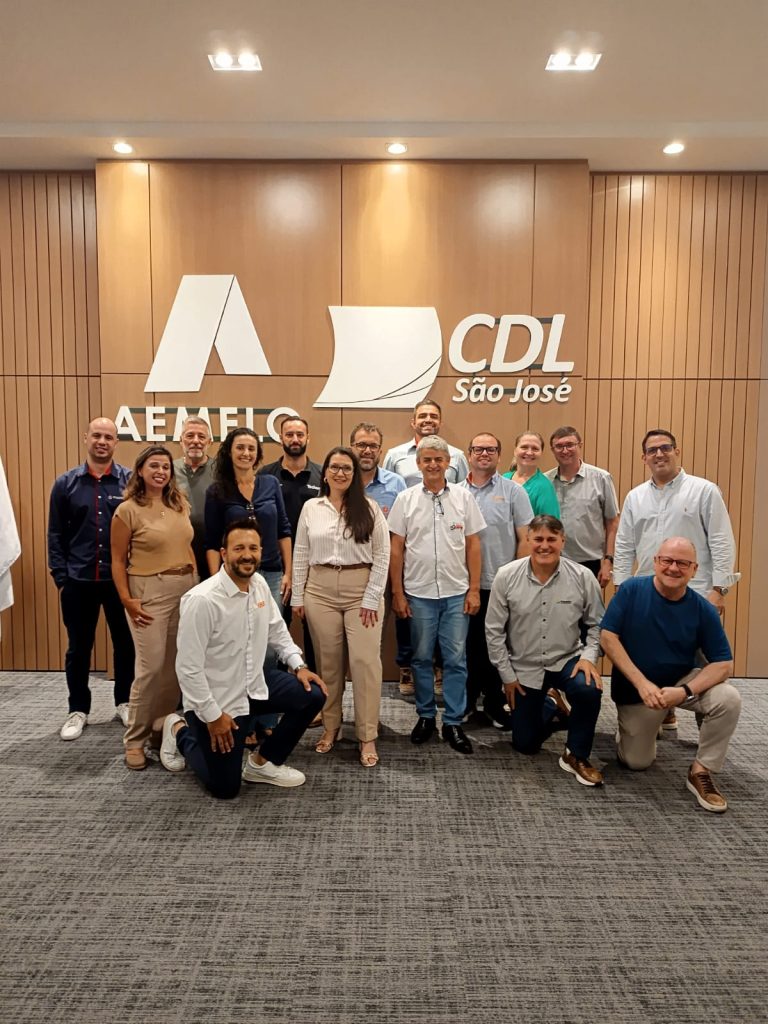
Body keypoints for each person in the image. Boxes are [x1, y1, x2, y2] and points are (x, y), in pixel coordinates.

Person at [160, 519, 327, 798]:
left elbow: (277, 630)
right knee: (225, 788)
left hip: (253, 685)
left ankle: (262, 763)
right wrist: (213, 716)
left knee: (313, 694)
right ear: (224, 553)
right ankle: (179, 730)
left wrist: (299, 665)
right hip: (217, 701)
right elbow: (188, 670)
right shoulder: (202, 600)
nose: (247, 555)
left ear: (261, 552)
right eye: (239, 548)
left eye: (253, 548)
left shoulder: (258, 584)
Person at [613, 429, 740, 730]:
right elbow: (624, 544)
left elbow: (721, 540)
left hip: (695, 593)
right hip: (647, 595)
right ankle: (661, 712)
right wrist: (621, 587)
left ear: (676, 451)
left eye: (665, 448)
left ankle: (707, 726)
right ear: (643, 458)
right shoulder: (635, 497)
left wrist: (719, 590)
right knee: (650, 656)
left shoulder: (704, 491)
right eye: (652, 450)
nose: (659, 454)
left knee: (704, 666)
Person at [601, 537, 741, 812]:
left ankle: (701, 770)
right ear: (655, 562)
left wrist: (684, 692)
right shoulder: (630, 590)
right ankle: (640, 728)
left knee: (728, 698)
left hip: (679, 683)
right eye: (667, 560)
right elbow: (608, 637)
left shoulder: (703, 609)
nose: (673, 568)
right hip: (638, 691)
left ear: (694, 569)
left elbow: (724, 664)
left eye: (682, 563)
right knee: (636, 762)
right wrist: (642, 684)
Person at [485, 515, 606, 786]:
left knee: (588, 688)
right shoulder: (506, 576)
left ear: (562, 541)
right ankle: (552, 704)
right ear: (528, 540)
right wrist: (507, 676)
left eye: (552, 539)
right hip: (524, 666)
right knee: (525, 744)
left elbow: (597, 624)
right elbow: (493, 631)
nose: (544, 545)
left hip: (567, 659)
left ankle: (576, 754)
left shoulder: (583, 577)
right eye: (538, 539)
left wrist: (588, 658)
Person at [292, 447, 390, 767]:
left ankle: (367, 734)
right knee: (328, 664)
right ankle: (331, 726)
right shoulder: (311, 507)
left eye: (347, 468)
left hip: (361, 589)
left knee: (365, 664)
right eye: (334, 467)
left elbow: (382, 556)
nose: (340, 473)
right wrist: (297, 596)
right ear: (325, 473)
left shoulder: (370, 508)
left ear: (354, 474)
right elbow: (301, 552)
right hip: (319, 590)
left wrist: (371, 597)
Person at [388, 436, 485, 755]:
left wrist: (474, 589)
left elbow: (473, 544)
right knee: (420, 658)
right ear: (418, 464)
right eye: (427, 459)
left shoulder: (464, 497)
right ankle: (426, 716)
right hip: (418, 593)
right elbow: (396, 548)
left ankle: (453, 721)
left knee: (456, 660)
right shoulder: (405, 499)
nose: (433, 464)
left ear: (448, 463)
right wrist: (398, 593)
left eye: (438, 459)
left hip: (457, 593)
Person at [47, 417, 134, 740]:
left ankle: (124, 701)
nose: (102, 441)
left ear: (116, 442)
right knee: (78, 649)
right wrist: (61, 577)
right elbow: (55, 534)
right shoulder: (65, 484)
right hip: (78, 581)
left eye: (108, 437)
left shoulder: (129, 482)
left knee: (125, 645)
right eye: (97, 435)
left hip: (119, 581)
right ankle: (78, 709)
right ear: (86, 438)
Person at [110, 445, 196, 770]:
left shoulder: (179, 504)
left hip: (184, 588)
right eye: (154, 466)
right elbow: (117, 560)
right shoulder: (127, 510)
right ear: (140, 471)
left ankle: (161, 731)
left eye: (165, 467)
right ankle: (134, 739)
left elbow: (187, 545)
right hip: (148, 592)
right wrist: (126, 599)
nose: (160, 472)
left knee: (175, 666)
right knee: (151, 668)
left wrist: (196, 583)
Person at [460, 432, 532, 728]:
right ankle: (465, 703)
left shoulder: (514, 492)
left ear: (500, 455)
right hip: (463, 585)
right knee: (467, 647)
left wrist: (518, 579)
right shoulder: (455, 492)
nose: (484, 454)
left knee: (496, 646)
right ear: (469, 454)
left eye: (491, 449)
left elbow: (525, 538)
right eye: (478, 449)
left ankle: (492, 703)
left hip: (501, 584)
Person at [259, 415, 322, 673]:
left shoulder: (322, 475)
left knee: (316, 633)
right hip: (276, 568)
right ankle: (275, 688)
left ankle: (317, 689)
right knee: (273, 631)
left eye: (299, 434)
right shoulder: (265, 476)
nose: (295, 439)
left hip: (315, 566)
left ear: (308, 438)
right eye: (289, 434)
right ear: (281, 438)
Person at [349, 421, 408, 694]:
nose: (367, 450)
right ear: (351, 447)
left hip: (382, 573)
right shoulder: (340, 479)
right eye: (361, 444)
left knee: (373, 639)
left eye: (373, 446)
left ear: (381, 451)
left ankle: (368, 698)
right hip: (345, 571)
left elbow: (401, 533)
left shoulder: (396, 484)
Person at [205, 427, 292, 610]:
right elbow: (213, 542)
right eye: (240, 448)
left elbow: (283, 531)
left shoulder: (271, 483)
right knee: (237, 624)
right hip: (234, 574)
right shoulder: (216, 491)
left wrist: (288, 574)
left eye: (251, 449)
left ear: (257, 454)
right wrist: (215, 581)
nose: (246, 453)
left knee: (271, 625)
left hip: (272, 574)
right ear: (229, 452)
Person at [545, 426, 619, 586]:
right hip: (551, 560)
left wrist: (608, 561)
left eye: (569, 445)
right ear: (552, 450)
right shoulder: (546, 481)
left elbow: (612, 522)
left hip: (589, 562)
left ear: (580, 445)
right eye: (559, 446)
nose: (565, 450)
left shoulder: (601, 478)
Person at [382, 398, 469, 486]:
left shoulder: (457, 456)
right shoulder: (394, 455)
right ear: (413, 423)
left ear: (440, 423)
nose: (428, 420)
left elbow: (464, 490)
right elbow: (386, 489)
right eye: (422, 416)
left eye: (434, 417)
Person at [173, 415, 215, 580]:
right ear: (181, 440)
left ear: (209, 442)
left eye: (201, 436)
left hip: (214, 553)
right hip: (178, 554)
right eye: (190, 436)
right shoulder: (168, 470)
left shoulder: (222, 471)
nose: (195, 441)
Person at [502, 431, 560, 517]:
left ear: (541, 453)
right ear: (515, 451)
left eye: (535, 449)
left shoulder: (544, 487)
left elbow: (550, 524)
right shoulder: (504, 478)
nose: (529, 452)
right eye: (524, 447)